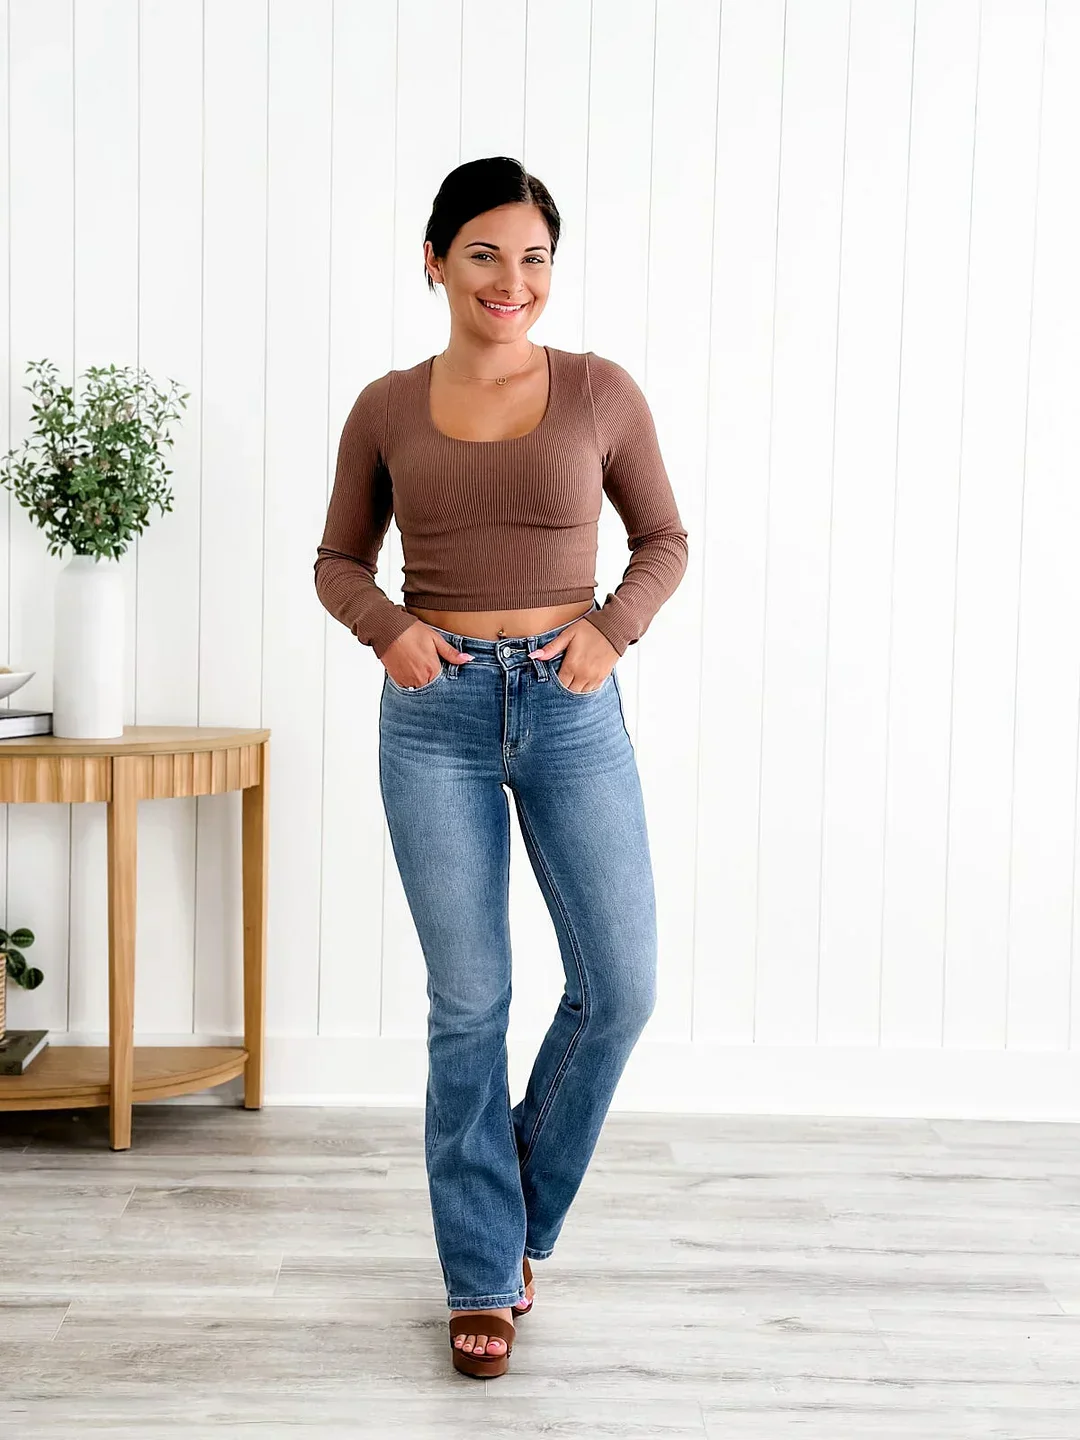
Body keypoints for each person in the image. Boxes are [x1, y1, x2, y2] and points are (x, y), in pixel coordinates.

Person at [313, 156, 689, 1379]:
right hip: (435, 715)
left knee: (620, 988)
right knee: (470, 1002)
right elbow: (337, 561)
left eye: (534, 257)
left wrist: (611, 631)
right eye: (484, 253)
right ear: (434, 261)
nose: (511, 279)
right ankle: (483, 1271)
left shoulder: (599, 391)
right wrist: (388, 629)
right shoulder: (385, 406)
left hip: (573, 706)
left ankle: (507, 1210)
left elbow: (664, 540)